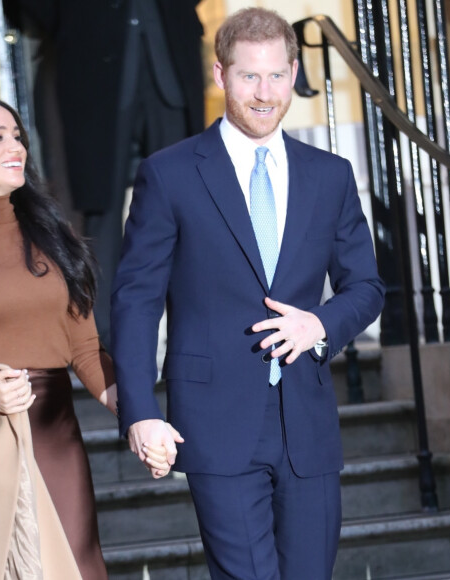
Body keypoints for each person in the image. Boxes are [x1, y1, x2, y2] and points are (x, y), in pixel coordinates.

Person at [111, 7, 385, 580]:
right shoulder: (170, 174)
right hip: (214, 423)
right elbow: (137, 299)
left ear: (293, 74)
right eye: (248, 77)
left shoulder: (330, 175)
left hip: (307, 427)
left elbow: (366, 287)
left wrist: (321, 326)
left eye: (277, 76)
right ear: (220, 76)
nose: (265, 94)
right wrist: (140, 411)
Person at [0, 98, 168, 579]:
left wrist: (140, 417)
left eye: (17, 135)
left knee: (77, 565)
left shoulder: (53, 239)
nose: (15, 146)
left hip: (54, 435)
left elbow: (84, 350)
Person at [11, 0, 206, 350]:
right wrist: (71, 17)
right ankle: (106, 341)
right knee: (99, 207)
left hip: (169, 55)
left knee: (186, 206)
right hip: (93, 63)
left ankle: (195, 331)